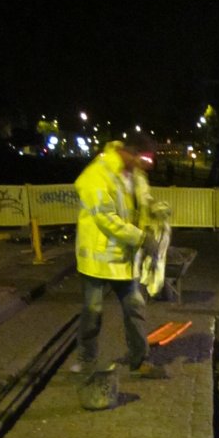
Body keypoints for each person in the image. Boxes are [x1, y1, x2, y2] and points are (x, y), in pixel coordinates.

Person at [73, 132, 167, 379]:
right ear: (129, 152)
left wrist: (155, 209)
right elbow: (105, 218)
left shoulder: (134, 175)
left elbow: (143, 199)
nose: (145, 165)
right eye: (143, 158)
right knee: (92, 311)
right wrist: (140, 238)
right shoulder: (96, 175)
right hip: (97, 259)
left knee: (135, 307)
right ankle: (86, 360)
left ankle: (140, 360)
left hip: (123, 260)